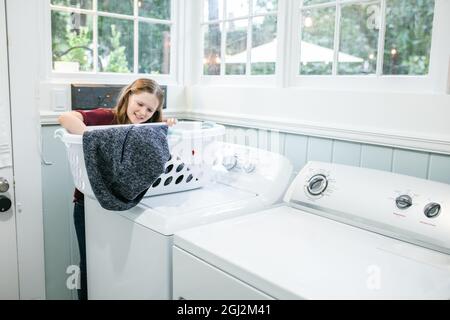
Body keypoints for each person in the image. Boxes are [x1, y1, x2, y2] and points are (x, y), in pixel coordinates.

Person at [58, 78, 176, 300]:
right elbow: (65, 117)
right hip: (88, 202)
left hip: (128, 201)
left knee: (114, 271)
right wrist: (93, 139)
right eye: (140, 104)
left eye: (150, 109)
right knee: (90, 265)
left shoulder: (149, 129)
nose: (143, 112)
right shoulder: (107, 116)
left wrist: (166, 126)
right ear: (129, 96)